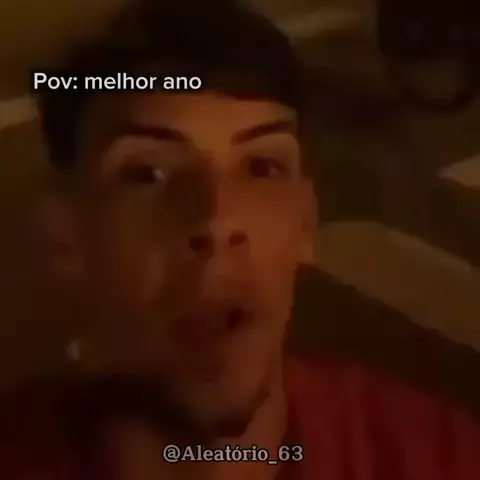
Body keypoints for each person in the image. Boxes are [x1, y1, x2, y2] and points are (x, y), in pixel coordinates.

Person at [2, 0, 480, 479]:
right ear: (66, 236)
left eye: (262, 166)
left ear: (305, 223)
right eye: (146, 173)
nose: (217, 219)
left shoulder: (440, 454)